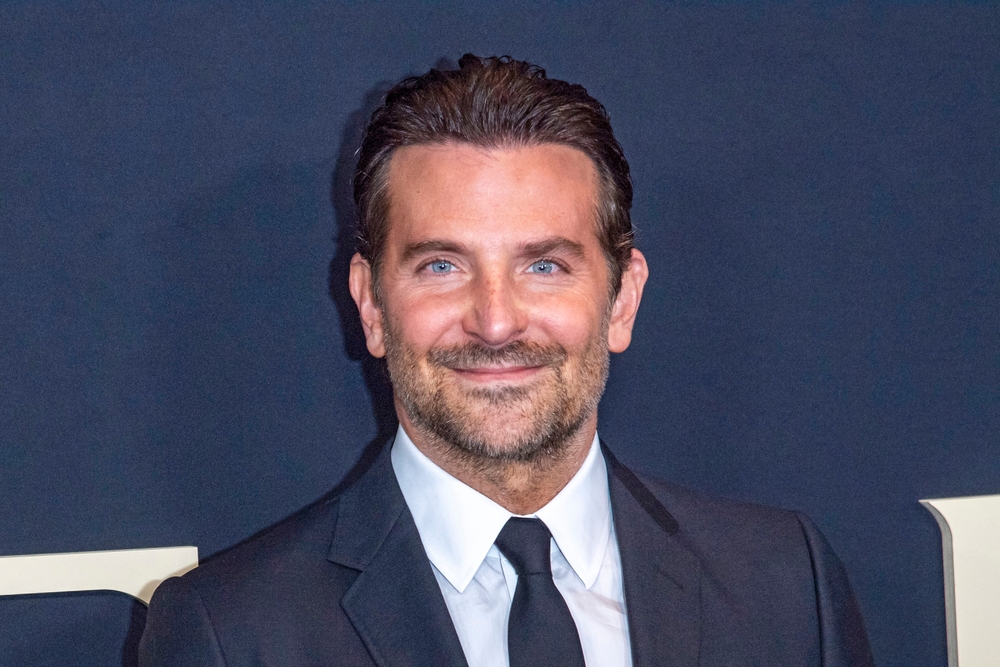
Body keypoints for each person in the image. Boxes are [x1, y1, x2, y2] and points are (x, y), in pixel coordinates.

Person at [139, 54, 875, 667]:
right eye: (441, 266)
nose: (495, 322)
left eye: (544, 266)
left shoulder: (786, 586)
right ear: (370, 305)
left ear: (622, 300)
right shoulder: (232, 634)